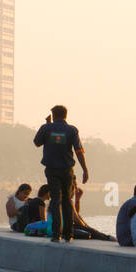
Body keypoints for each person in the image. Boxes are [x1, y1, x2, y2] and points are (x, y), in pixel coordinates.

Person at [32, 105, 89, 244]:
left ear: (53, 114)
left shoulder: (46, 128)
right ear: (66, 115)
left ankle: (57, 234)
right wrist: (85, 169)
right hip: (67, 170)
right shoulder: (72, 130)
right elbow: (79, 151)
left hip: (52, 170)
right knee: (67, 201)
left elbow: (36, 143)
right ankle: (68, 234)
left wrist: (47, 124)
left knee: (55, 199)